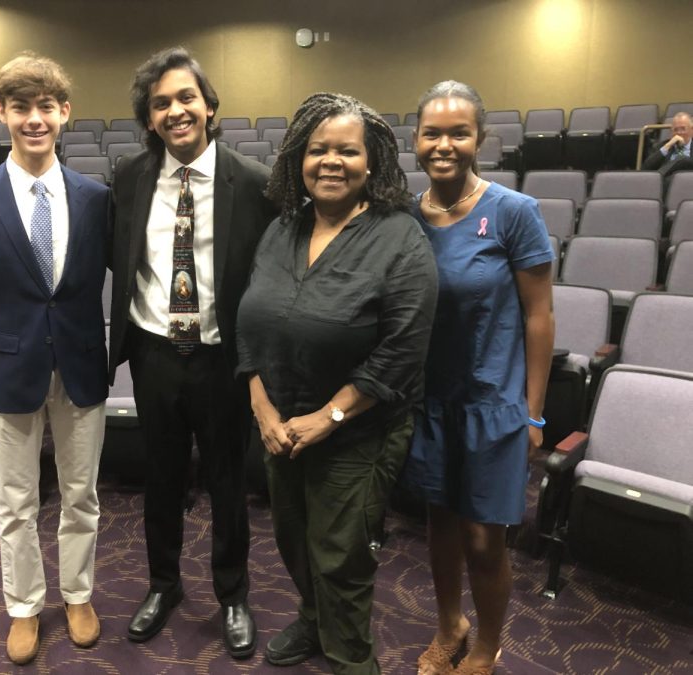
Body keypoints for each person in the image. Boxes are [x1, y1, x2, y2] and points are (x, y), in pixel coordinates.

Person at [236, 92, 438, 674]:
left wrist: (331, 417)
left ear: (370, 161)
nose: (331, 161)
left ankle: (352, 659)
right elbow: (250, 320)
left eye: (347, 151)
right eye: (318, 149)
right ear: (299, 158)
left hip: (358, 434)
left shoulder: (400, 238)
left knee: (342, 558)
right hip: (282, 427)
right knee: (295, 542)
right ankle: (311, 620)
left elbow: (402, 350)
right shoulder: (282, 229)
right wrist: (262, 408)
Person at [108, 46, 275, 659]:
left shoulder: (255, 184)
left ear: (209, 106)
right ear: (148, 118)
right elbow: (121, 259)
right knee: (162, 477)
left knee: (229, 481)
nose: (175, 111)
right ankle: (163, 584)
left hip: (222, 359)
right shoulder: (129, 179)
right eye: (160, 104)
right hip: (154, 354)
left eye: (185, 98)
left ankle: (232, 594)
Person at [0, 52, 109, 665]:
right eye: (21, 108)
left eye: (46, 107)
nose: (34, 119)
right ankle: (23, 607)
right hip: (6, 372)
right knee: (15, 502)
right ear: (2, 113)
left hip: (81, 368)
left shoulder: (95, 198)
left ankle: (78, 594)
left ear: (64, 113)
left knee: (81, 495)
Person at [403, 81, 554, 675]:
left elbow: (540, 316)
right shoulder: (405, 218)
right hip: (430, 402)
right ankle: (450, 625)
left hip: (493, 403)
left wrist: (534, 412)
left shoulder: (514, 213)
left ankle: (488, 643)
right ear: (414, 140)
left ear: (479, 139)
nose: (444, 144)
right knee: (439, 525)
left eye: (458, 132)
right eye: (432, 133)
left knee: (485, 539)